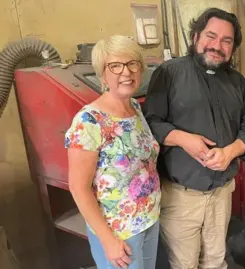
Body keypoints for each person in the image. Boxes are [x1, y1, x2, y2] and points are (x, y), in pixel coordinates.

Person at [142, 7, 245, 269]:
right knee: (185, 264)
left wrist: (230, 152)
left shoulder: (238, 83)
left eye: (226, 40)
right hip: (182, 196)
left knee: (216, 261)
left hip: (221, 193)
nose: (217, 45)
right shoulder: (169, 73)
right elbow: (150, 123)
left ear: (233, 47)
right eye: (211, 36)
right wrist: (183, 138)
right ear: (196, 36)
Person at [65, 35, 163, 269]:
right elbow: (78, 187)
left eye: (132, 64)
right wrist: (107, 240)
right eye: (115, 66)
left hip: (148, 219)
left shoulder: (135, 108)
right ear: (103, 74)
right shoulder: (89, 120)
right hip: (118, 232)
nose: (126, 72)